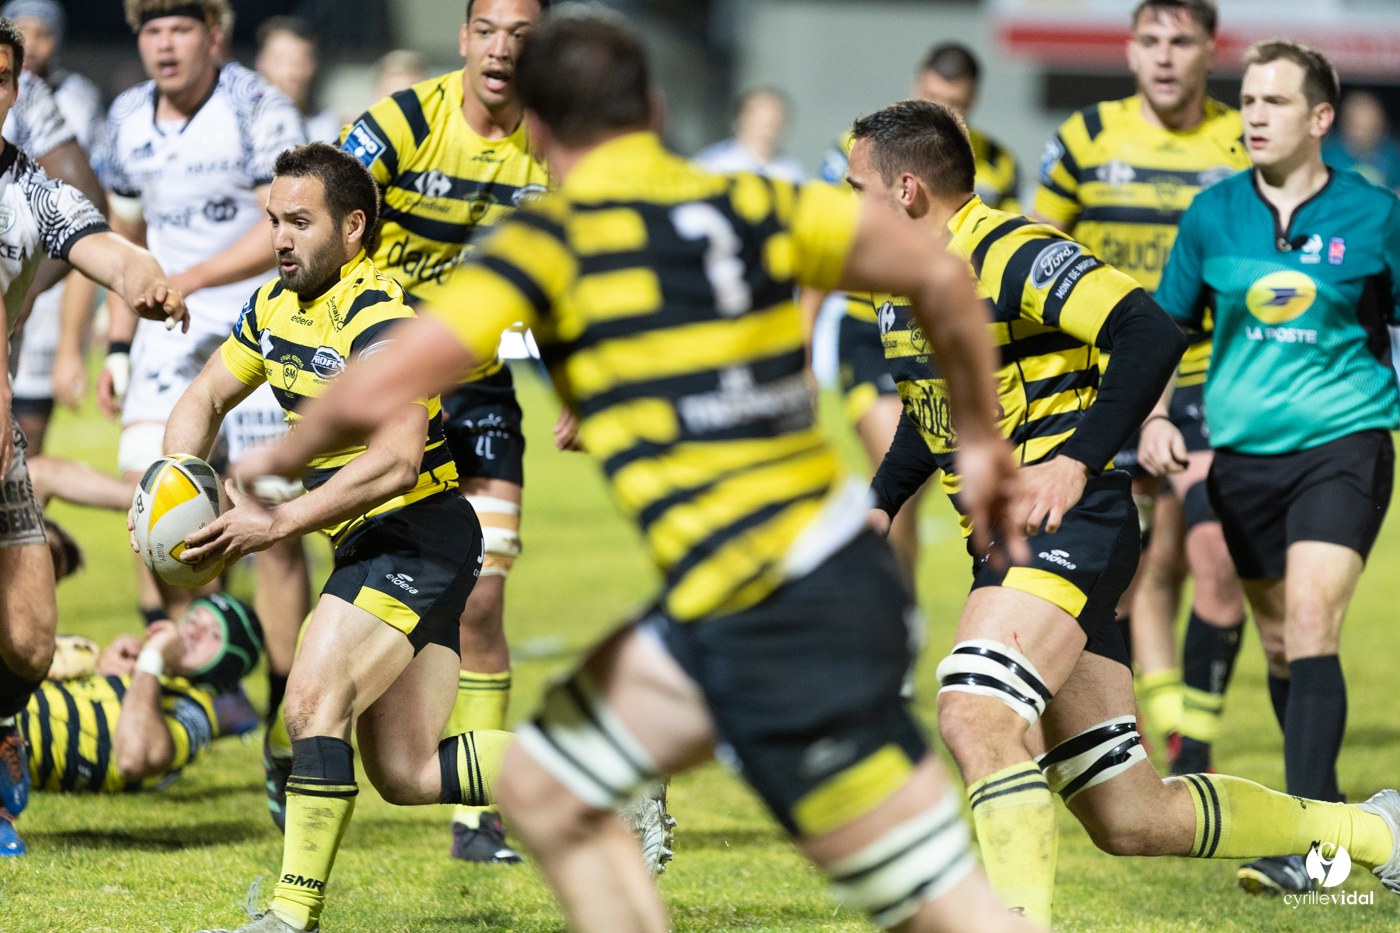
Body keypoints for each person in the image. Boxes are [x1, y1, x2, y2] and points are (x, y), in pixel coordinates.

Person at [233, 13, 1060, 933]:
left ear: (540, 130)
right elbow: (940, 279)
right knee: (548, 789)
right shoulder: (751, 200)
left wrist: (279, 456)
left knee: (934, 907)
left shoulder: (549, 241)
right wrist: (981, 438)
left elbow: (399, 367)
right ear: (656, 108)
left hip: (786, 605)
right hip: (774, 587)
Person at [853, 95, 1400, 927]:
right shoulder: (901, 289)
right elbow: (934, 424)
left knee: (974, 707)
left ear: (904, 190)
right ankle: (1373, 829)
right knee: (1132, 816)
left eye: (853, 184)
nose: (841, 202)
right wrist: (877, 506)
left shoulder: (1013, 250)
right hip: (1011, 544)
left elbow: (1147, 329)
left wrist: (1077, 462)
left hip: (1068, 528)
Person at [154, 142, 510, 933]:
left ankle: (289, 917)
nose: (279, 237)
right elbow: (205, 394)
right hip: (376, 544)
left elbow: (394, 460)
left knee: (312, 698)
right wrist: (173, 482)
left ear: (353, 227)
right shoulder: (273, 307)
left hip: (417, 532)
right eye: (274, 219)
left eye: (299, 222)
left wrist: (275, 521)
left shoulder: (381, 316)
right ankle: (601, 768)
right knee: (408, 770)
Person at [1151, 39, 1400, 896]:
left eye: (1275, 101)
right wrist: (1150, 418)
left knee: (1309, 619)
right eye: (1248, 99)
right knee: (1281, 646)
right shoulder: (1213, 213)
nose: (1253, 114)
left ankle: (1315, 851)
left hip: (1346, 443)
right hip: (1243, 460)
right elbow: (1164, 330)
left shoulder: (1375, 214)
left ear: (1320, 118)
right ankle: (1355, 830)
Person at [338, 0, 555, 863]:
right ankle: (299, 744)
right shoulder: (401, 123)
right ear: (464, 38)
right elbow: (325, 213)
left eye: (523, 36)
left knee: (490, 594)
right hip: (389, 384)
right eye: (489, 31)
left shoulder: (556, 145)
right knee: (359, 581)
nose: (503, 49)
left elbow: (585, 266)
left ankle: (476, 820)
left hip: (480, 382)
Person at [1033, 0, 1252, 774]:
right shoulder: (1086, 139)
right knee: (1127, 569)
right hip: (1106, 386)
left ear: (1209, 51)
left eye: (1180, 41)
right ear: (1129, 52)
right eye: (1149, 40)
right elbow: (1038, 252)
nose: (1164, 56)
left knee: (1215, 559)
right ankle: (1155, 725)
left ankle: (1190, 739)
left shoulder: (1241, 140)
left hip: (1209, 383)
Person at [0, 14, 189, 862]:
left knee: (31, 639)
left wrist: (142, 277)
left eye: (2, 82)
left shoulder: (29, 190)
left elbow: (100, 243)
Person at [94, 0, 309, 724]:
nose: (165, 44)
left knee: (268, 522)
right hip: (164, 339)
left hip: (260, 335)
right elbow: (126, 237)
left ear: (213, 35)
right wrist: (118, 345)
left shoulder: (256, 107)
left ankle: (285, 706)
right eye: (152, 30)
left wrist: (196, 277)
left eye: (180, 28)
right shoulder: (125, 116)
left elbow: (283, 226)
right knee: (156, 512)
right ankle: (204, 684)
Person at [813, 41, 1023, 587]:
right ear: (917, 84)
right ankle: (899, 617)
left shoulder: (992, 162)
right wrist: (799, 352)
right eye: (934, 97)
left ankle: (901, 603)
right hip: (869, 330)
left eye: (958, 104)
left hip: (941, 333)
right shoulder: (856, 154)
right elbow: (818, 253)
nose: (947, 111)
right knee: (898, 470)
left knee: (925, 479)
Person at [1, 594, 262, 856]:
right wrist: (99, 669)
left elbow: (134, 758)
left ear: (228, 663)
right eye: (193, 619)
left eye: (213, 635)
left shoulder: (195, 710)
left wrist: (153, 658)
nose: (193, 631)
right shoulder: (141, 676)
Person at [3, 0, 106, 452]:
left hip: (26, 281)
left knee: (22, 452)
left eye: (41, 33)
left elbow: (85, 205)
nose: (33, 45)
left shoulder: (54, 96)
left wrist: (69, 340)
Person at [256, 16, 341, 144]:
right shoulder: (236, 124)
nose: (292, 72)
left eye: (301, 62)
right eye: (281, 60)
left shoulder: (328, 129)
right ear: (261, 62)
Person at [693, 87, 805, 184]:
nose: (770, 124)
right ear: (740, 119)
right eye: (760, 118)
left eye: (775, 119)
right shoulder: (712, 165)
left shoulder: (793, 171)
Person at [1321, 90, 1400, 190]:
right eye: (1356, 126)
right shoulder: (1328, 155)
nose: (1361, 135)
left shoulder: (1391, 155)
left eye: (1370, 128)